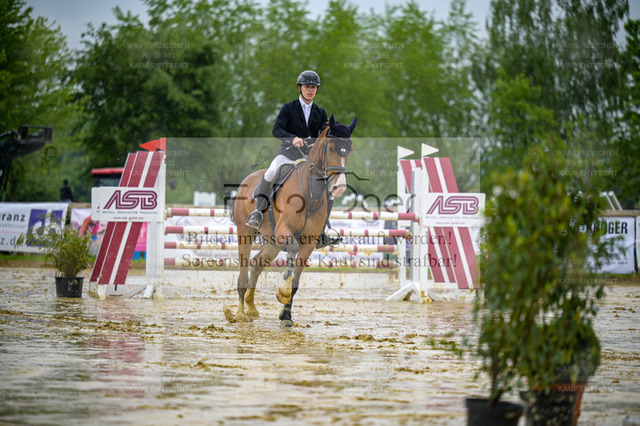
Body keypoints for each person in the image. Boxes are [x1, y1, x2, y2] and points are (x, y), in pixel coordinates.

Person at [246, 70, 337, 248]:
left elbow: (325, 134)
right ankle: (257, 212)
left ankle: (322, 230)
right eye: (307, 87)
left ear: (316, 90)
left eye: (313, 87)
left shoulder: (321, 112)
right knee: (271, 172)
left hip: (309, 159)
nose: (310, 90)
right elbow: (276, 129)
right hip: (287, 155)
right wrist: (292, 138)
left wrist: (320, 142)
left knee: (328, 187)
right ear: (299, 88)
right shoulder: (288, 108)